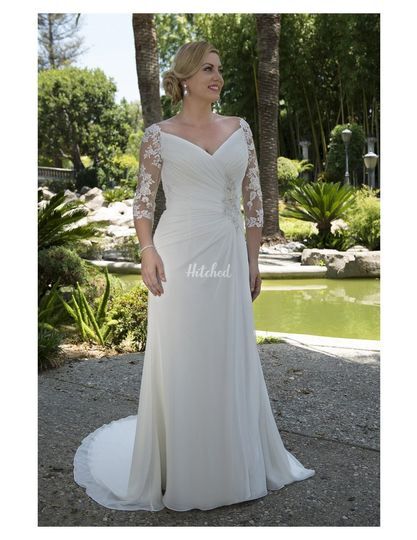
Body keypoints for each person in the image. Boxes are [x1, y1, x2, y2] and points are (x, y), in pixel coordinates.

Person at [73, 40, 315, 512]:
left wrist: (253, 260)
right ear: (184, 78)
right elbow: (143, 204)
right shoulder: (158, 135)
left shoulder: (240, 129)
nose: (217, 76)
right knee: (185, 354)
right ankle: (181, 467)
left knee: (227, 352)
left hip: (227, 253)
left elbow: (254, 202)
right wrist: (147, 252)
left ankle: (231, 463)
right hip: (178, 255)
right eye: (207, 68)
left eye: (219, 69)